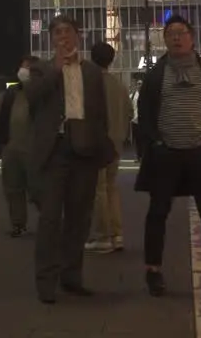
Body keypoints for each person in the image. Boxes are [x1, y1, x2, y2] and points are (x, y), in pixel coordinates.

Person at [135, 15, 201, 299]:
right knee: (157, 213)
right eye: (171, 33)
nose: (176, 37)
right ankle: (153, 271)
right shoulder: (155, 75)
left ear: (191, 38)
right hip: (167, 153)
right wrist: (156, 142)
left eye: (181, 32)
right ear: (164, 40)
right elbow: (145, 112)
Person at [26, 15, 116, 304]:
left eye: (68, 32)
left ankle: (72, 277)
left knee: (80, 218)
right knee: (51, 219)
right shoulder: (40, 69)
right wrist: (57, 68)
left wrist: (102, 148)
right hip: (55, 151)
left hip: (85, 150)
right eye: (57, 32)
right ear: (51, 39)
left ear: (79, 35)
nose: (63, 37)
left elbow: (100, 113)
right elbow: (33, 97)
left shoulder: (91, 72)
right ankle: (45, 283)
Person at [86, 43, 133, 253]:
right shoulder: (119, 85)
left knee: (98, 189)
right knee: (111, 187)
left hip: (96, 142)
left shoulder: (90, 83)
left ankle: (102, 236)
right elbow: (130, 114)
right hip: (116, 141)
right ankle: (117, 233)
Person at [0, 58, 39, 237]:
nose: (24, 70)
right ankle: (18, 223)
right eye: (23, 66)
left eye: (28, 67)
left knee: (37, 188)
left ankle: (50, 220)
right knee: (13, 187)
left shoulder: (40, 92)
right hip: (12, 146)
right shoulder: (12, 91)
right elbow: (4, 118)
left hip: (33, 146)